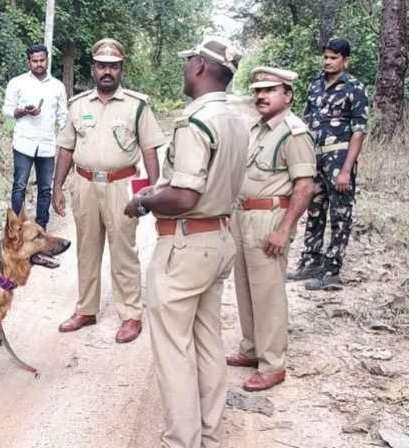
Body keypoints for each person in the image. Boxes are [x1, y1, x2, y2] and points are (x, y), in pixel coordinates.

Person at [125, 36, 246, 447]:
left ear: (198, 67)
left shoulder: (196, 123)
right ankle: (209, 435)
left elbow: (184, 196)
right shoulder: (235, 119)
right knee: (208, 340)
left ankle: (182, 440)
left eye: (187, 62)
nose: (184, 69)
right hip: (219, 238)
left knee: (174, 349)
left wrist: (144, 201)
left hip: (186, 243)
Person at [53, 38, 167, 343]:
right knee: (87, 249)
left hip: (121, 185)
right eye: (102, 65)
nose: (107, 72)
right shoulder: (77, 105)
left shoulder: (137, 105)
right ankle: (86, 310)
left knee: (124, 250)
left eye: (113, 67)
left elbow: (150, 150)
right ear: (93, 68)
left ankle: (130, 314)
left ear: (121, 70)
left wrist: (152, 192)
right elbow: (66, 147)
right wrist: (57, 187)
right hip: (85, 184)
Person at [226, 67, 316, 392]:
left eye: (270, 90)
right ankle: (252, 348)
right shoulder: (257, 129)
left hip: (270, 218)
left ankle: (273, 364)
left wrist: (284, 228)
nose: (261, 96)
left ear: (288, 95)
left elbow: (305, 187)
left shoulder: (294, 133)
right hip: (243, 216)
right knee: (246, 287)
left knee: (268, 292)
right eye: (258, 90)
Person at [288, 38, 369, 290]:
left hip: (338, 158)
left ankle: (332, 269)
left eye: (333, 58)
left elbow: (358, 131)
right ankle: (311, 261)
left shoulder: (354, 88)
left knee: (340, 213)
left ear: (345, 60)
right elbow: (304, 123)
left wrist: (346, 170)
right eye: (325, 57)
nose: (328, 62)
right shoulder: (315, 87)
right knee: (314, 209)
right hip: (314, 157)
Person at [2, 44, 68, 229]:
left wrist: (65, 140)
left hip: (47, 145)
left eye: (42, 60)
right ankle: (15, 228)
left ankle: (41, 227)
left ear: (47, 60)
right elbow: (7, 110)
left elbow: (63, 116)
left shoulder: (57, 87)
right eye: (35, 61)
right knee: (20, 186)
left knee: (45, 189)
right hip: (24, 143)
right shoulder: (17, 83)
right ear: (28, 62)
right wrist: (23, 111)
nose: (39, 64)